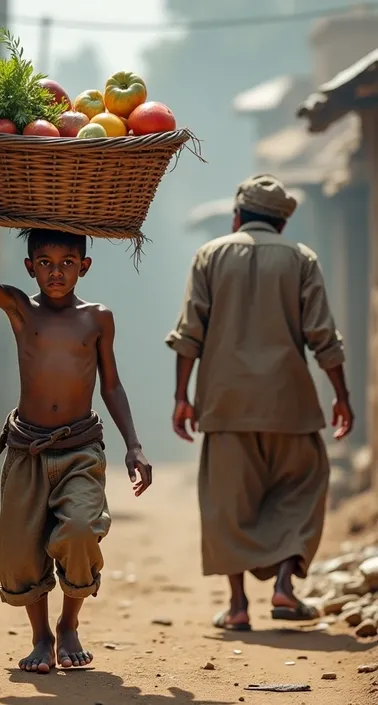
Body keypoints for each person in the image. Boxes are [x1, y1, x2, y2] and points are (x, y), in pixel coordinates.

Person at [0, 151, 152, 672]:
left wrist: (133, 443)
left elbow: (111, 384)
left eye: (66, 264)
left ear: (84, 266)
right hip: (25, 449)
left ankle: (69, 622)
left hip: (80, 446)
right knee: (20, 550)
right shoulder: (21, 309)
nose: (55, 273)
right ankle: (42, 637)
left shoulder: (97, 319)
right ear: (29, 267)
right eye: (45, 263)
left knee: (81, 531)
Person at [165, 174, 354, 631]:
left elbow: (190, 333)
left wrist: (181, 397)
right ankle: (285, 586)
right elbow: (322, 337)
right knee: (304, 487)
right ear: (282, 225)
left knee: (227, 503)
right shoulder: (302, 259)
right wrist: (341, 396)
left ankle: (237, 605)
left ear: (237, 216)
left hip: (225, 405)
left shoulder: (209, 255)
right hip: (290, 404)